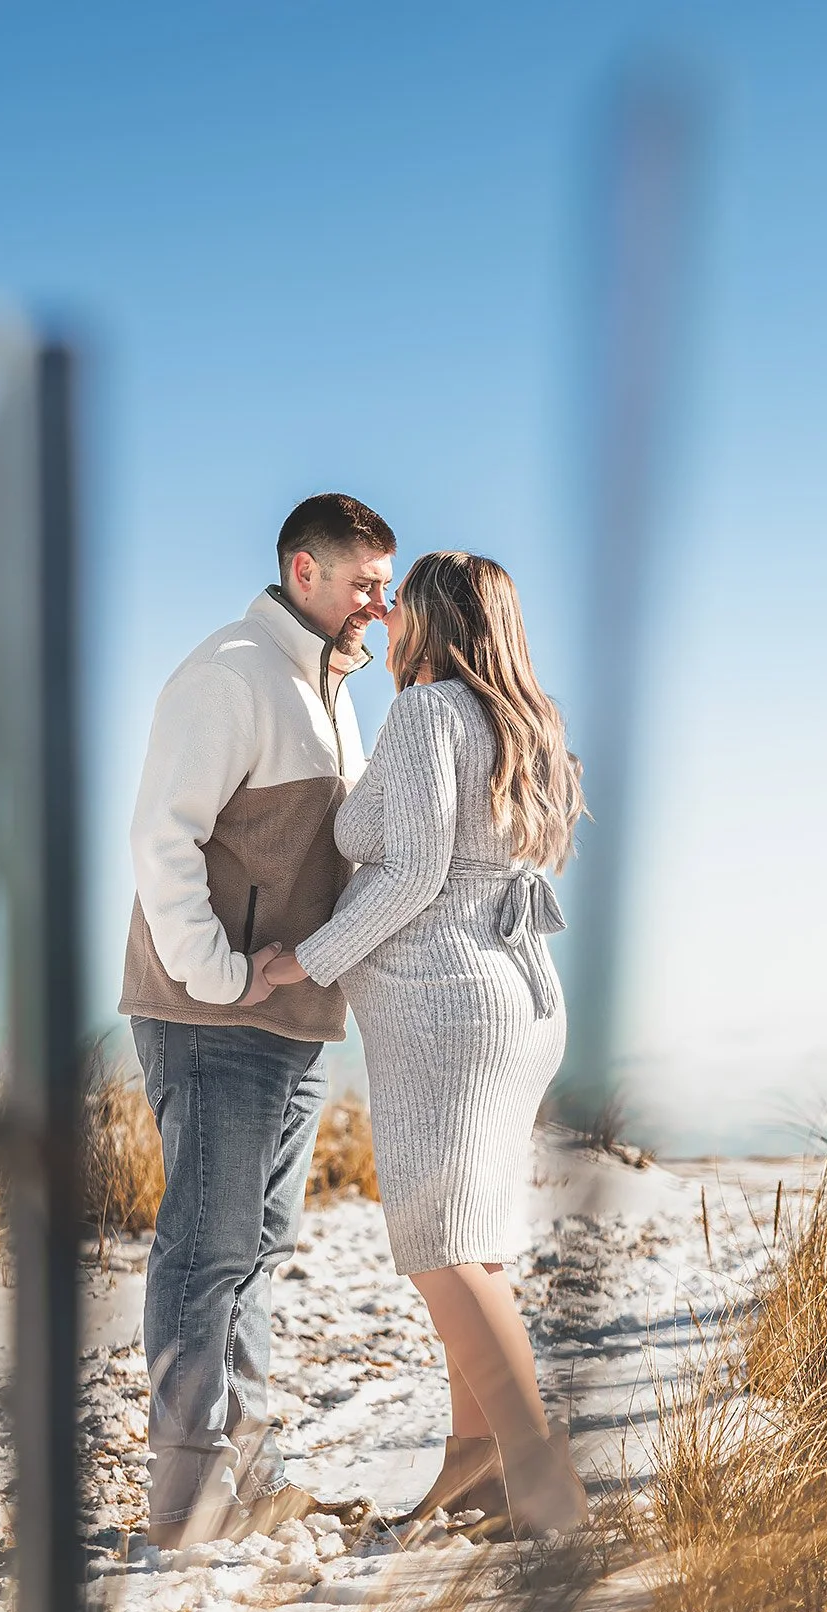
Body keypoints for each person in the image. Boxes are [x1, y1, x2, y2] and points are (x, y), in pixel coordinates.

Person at [246, 549, 591, 1537]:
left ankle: (542, 1477)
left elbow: (409, 876)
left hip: (447, 1007)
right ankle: (476, 1468)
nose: (385, 614)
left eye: (401, 602)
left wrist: (300, 960)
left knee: (442, 1249)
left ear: (437, 618)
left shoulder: (430, 712)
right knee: (468, 1239)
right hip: (518, 996)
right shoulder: (531, 722)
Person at [118, 492, 395, 1548]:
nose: (381, 600)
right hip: (215, 1012)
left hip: (295, 1015)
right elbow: (162, 839)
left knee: (260, 1247)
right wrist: (219, 976)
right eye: (365, 580)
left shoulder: (330, 682)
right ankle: (186, 1500)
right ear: (304, 568)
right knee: (206, 1247)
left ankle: (247, 1466)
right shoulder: (231, 672)